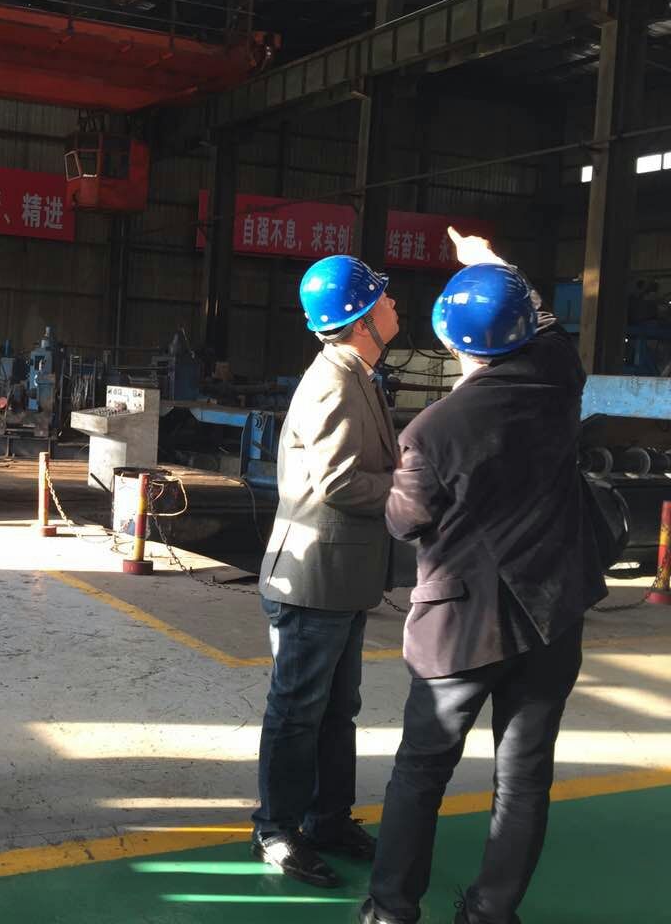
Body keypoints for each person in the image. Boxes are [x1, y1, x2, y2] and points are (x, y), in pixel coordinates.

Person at [361, 262, 607, 924]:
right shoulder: (558, 377)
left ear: (448, 340)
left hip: (462, 632)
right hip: (552, 617)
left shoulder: (431, 432)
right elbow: (548, 328)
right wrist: (497, 263)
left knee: (421, 773)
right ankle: (491, 911)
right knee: (523, 780)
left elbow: (404, 523)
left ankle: (392, 908)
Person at [252, 254, 400, 887]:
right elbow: (339, 482)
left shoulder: (357, 372)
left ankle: (327, 819)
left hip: (342, 578)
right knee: (298, 710)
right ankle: (276, 830)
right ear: (362, 319)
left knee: (338, 710)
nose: (394, 305)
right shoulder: (334, 382)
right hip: (315, 579)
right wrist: (411, 490)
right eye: (384, 299)